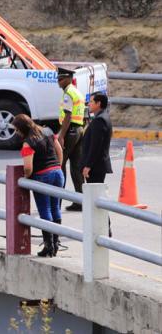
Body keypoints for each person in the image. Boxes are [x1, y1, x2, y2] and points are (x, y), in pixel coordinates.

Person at [12, 114, 64, 257]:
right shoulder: (47, 131)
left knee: (45, 210)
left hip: (42, 176)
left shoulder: (28, 143)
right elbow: (59, 150)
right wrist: (57, 166)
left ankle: (49, 246)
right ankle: (56, 243)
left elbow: (28, 168)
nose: (16, 133)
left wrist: (25, 178)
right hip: (58, 173)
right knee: (55, 208)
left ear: (22, 129)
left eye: (16, 129)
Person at [81, 92, 113, 237]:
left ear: (99, 103)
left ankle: (104, 228)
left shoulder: (100, 120)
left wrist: (88, 166)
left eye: (91, 102)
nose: (89, 104)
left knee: (96, 198)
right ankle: (103, 227)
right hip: (97, 165)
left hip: (96, 167)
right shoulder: (102, 117)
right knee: (97, 198)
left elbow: (96, 146)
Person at [56, 67, 86, 211]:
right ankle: (80, 201)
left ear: (68, 78)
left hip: (70, 131)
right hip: (79, 130)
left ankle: (57, 200)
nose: (58, 82)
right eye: (57, 79)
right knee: (77, 167)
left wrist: (61, 135)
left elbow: (67, 116)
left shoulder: (68, 93)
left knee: (60, 164)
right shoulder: (77, 91)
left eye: (61, 79)